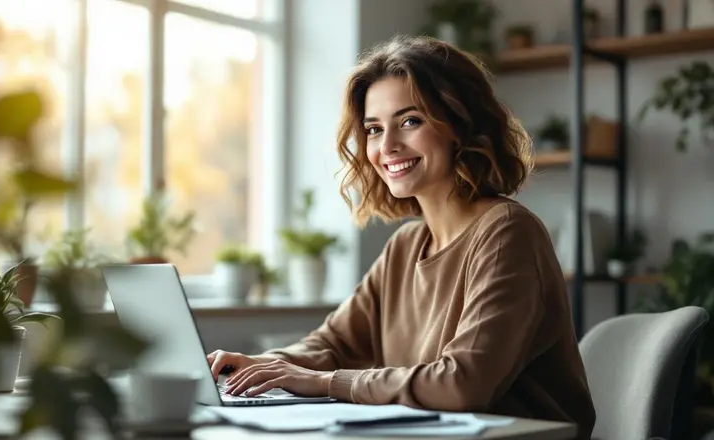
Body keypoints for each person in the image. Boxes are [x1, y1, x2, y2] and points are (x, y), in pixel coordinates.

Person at [207, 35, 596, 439]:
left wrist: (325, 383)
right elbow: (332, 345)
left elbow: (463, 384)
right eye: (374, 129)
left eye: (410, 121)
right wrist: (258, 365)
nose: (387, 146)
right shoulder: (405, 247)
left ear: (460, 126)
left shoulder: (506, 233)